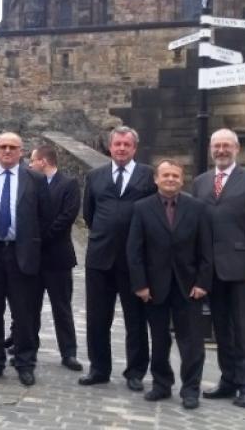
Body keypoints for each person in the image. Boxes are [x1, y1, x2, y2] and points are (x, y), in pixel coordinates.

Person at [191, 128, 245, 408]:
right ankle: (229, 380)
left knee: (244, 330)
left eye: (227, 145)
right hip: (212, 270)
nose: (221, 150)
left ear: (237, 149)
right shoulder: (200, 182)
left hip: (242, 269)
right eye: (217, 146)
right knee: (222, 329)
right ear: (211, 150)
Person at [127, 159, 212, 410]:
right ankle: (161, 384)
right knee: (159, 339)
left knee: (192, 342)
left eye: (175, 175)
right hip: (154, 287)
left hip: (189, 286)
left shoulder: (197, 208)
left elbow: (206, 249)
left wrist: (202, 283)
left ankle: (191, 389)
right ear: (156, 179)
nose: (171, 179)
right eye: (166, 175)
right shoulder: (142, 208)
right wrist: (140, 285)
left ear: (182, 180)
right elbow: (134, 250)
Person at [79, 126, 156, 391]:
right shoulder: (95, 176)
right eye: (117, 144)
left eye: (126, 144)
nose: (121, 148)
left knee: (136, 320)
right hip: (100, 258)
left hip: (134, 261)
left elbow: (153, 214)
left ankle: (135, 372)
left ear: (134, 148)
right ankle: (99, 369)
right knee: (97, 318)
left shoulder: (148, 175)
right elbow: (89, 214)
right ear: (110, 147)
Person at [0, 132, 51, 387]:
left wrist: (29, 242)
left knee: (24, 313)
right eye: (3, 147)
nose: (7, 151)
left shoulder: (36, 179)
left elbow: (44, 216)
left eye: (13, 147)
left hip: (22, 254)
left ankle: (25, 363)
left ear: (21, 151)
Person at [28, 145, 82, 372]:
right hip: (34, 258)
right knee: (30, 308)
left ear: (43, 161)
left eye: (32, 160)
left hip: (58, 256)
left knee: (62, 307)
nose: (30, 165)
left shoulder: (68, 184)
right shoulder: (30, 183)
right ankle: (28, 350)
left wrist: (41, 237)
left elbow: (67, 216)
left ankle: (68, 353)